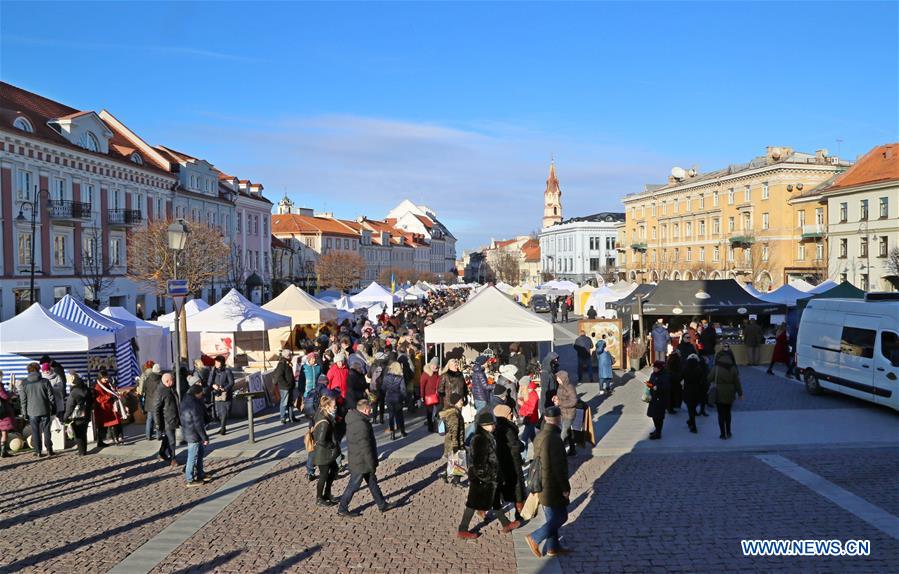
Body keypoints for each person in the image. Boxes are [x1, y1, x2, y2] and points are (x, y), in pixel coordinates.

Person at [457, 412, 519, 539]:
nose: (494, 426)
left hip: (490, 478)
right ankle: (463, 529)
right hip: (482, 480)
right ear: (484, 425)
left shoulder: (488, 436)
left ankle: (506, 523)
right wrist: (489, 477)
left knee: (495, 501)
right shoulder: (480, 439)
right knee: (472, 504)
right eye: (492, 424)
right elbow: (479, 465)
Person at [525, 405, 571, 558]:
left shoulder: (540, 435)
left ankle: (552, 548)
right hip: (552, 486)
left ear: (545, 418)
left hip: (541, 482)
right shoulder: (555, 439)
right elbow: (559, 468)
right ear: (558, 419)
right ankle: (535, 537)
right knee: (562, 516)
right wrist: (565, 487)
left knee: (552, 518)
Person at [337, 398, 396, 517]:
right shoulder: (361, 424)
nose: (371, 411)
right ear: (365, 409)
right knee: (353, 485)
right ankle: (342, 508)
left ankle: (382, 504)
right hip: (361, 461)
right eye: (370, 409)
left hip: (358, 458)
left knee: (372, 482)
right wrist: (371, 464)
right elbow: (365, 447)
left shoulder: (356, 418)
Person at [493, 404, 526, 522]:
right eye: (509, 413)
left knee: (504, 484)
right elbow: (515, 447)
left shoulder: (497, 428)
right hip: (512, 461)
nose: (512, 414)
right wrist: (522, 445)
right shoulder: (508, 430)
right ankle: (519, 510)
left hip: (502, 461)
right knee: (517, 486)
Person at [21, 363, 55, 457]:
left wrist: (24, 413)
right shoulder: (45, 381)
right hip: (45, 409)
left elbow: (23, 400)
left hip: (32, 411)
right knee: (47, 430)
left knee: (35, 431)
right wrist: (53, 407)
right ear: (38, 370)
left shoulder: (24, 383)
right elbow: (51, 397)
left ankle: (38, 451)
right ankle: (49, 449)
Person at [312, 395, 340, 506]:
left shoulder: (323, 413)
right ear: (327, 406)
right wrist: (332, 446)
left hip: (326, 453)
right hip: (323, 453)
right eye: (334, 405)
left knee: (334, 469)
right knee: (324, 475)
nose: (336, 407)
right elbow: (321, 440)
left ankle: (327, 493)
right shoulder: (324, 422)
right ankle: (319, 498)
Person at [180, 383, 210, 486]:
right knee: (192, 457)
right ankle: (190, 479)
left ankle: (200, 473)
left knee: (199, 454)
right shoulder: (194, 404)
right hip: (194, 434)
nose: (201, 396)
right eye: (200, 394)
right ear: (196, 394)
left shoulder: (186, 399)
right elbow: (197, 423)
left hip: (189, 432)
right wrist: (204, 437)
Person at [710, 350, 743, 439]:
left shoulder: (716, 367)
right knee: (728, 413)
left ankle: (722, 433)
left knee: (720, 414)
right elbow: (737, 382)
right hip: (730, 393)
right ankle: (728, 431)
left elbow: (709, 378)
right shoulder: (733, 368)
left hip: (719, 392)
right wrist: (740, 393)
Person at [439, 392, 465, 487]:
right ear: (456, 402)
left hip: (453, 441)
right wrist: (455, 445)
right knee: (459, 459)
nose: (462, 401)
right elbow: (454, 431)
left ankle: (444, 473)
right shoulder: (454, 415)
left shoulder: (455, 411)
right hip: (455, 441)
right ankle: (456, 481)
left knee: (454, 459)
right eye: (460, 400)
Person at [94, 368, 124, 447]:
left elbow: (112, 391)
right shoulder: (97, 387)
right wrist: (109, 396)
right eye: (105, 378)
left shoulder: (107, 384)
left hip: (109, 408)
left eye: (107, 377)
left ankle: (116, 438)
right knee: (102, 427)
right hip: (103, 409)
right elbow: (99, 399)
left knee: (115, 423)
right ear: (100, 378)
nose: (106, 379)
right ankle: (100, 441)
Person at [155, 373, 181, 466]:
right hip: (167, 420)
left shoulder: (171, 388)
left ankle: (161, 452)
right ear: (167, 381)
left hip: (173, 417)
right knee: (172, 440)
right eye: (172, 380)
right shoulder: (160, 391)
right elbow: (156, 409)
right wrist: (158, 425)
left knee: (168, 438)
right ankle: (173, 459)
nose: (174, 381)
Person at [552, 370, 578, 456]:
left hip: (569, 414)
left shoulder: (570, 387)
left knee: (563, 433)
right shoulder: (560, 386)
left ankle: (558, 453)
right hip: (562, 412)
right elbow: (560, 397)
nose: (557, 380)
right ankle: (572, 450)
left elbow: (574, 402)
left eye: (558, 378)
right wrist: (555, 398)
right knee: (568, 431)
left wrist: (560, 403)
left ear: (563, 378)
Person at [207, 356, 234, 435]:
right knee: (218, 412)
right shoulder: (213, 371)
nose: (216, 364)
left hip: (226, 394)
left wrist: (225, 388)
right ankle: (222, 427)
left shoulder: (227, 371)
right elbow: (209, 383)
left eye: (218, 362)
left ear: (222, 363)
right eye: (215, 362)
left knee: (225, 412)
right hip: (217, 394)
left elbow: (231, 382)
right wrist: (213, 386)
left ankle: (222, 428)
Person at [382, 361, 407, 439]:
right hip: (398, 398)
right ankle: (402, 432)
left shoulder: (386, 377)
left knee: (391, 415)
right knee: (400, 415)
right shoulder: (400, 378)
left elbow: (383, 388)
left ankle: (392, 434)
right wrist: (403, 398)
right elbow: (403, 389)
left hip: (389, 397)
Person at [646, 360, 670, 440]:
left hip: (661, 399)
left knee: (659, 417)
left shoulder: (665, 375)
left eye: (655, 367)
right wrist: (649, 384)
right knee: (653, 415)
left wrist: (658, 388)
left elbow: (666, 387)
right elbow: (650, 383)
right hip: (653, 398)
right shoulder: (653, 374)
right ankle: (657, 429)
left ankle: (658, 433)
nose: (654, 369)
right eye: (654, 367)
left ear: (659, 368)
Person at [681, 354, 704, 434]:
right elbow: (702, 381)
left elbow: (681, 378)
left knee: (690, 408)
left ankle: (693, 425)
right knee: (693, 408)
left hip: (687, 391)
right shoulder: (699, 369)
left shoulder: (685, 369)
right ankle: (691, 421)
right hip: (697, 391)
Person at [517, 379, 540, 459]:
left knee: (524, 438)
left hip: (531, 419)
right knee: (533, 436)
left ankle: (523, 458)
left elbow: (532, 409)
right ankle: (539, 451)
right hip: (528, 418)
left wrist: (522, 404)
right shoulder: (528, 392)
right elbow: (527, 403)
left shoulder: (533, 394)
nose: (521, 387)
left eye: (522, 386)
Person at [274, 349, 296, 424]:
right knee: (284, 402)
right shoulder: (282, 363)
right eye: (291, 355)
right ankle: (283, 417)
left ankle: (291, 417)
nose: (292, 356)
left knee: (290, 403)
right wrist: (286, 384)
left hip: (289, 386)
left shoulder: (287, 362)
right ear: (287, 356)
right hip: (285, 387)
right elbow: (279, 376)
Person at [141, 363, 162, 440]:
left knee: (149, 419)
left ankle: (148, 435)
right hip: (157, 401)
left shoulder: (147, 379)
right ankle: (158, 435)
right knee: (158, 419)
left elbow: (144, 390)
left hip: (149, 402)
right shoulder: (160, 380)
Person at [420, 358, 441, 432]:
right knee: (429, 412)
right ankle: (430, 426)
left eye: (436, 365)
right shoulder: (426, 374)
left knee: (439, 411)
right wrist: (422, 396)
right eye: (433, 365)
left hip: (437, 395)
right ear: (430, 364)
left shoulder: (438, 372)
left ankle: (437, 425)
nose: (434, 367)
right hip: (428, 396)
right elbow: (422, 386)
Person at [0, 373, 16, 458]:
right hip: (2, 412)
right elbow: (4, 396)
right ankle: (3, 451)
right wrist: (10, 394)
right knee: (4, 431)